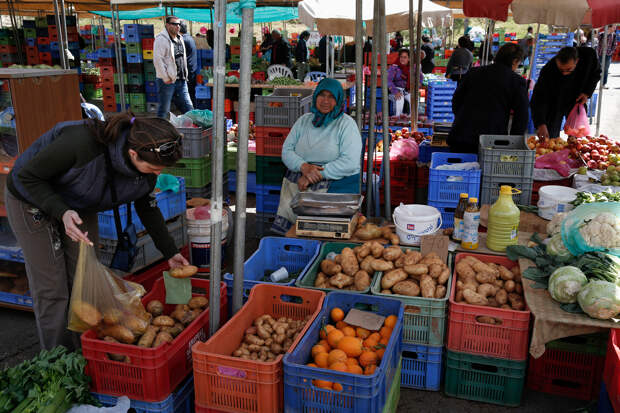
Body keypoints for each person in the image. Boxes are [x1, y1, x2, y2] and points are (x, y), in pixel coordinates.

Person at [5, 112, 189, 350]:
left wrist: (170, 251)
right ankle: (59, 357)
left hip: (81, 201)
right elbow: (26, 177)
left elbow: (147, 207)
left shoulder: (145, 169)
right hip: (31, 198)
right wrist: (62, 212)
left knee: (83, 280)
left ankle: (85, 347)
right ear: (133, 154)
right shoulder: (80, 144)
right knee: (52, 287)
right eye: (154, 168)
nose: (158, 174)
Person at [272, 78, 362, 235]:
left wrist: (314, 175)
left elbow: (350, 162)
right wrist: (304, 167)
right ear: (315, 97)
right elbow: (286, 150)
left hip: (335, 190)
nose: (325, 101)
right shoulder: (303, 121)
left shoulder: (346, 125)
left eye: (331, 97)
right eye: (322, 95)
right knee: (295, 236)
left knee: (324, 235)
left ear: (339, 99)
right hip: (298, 186)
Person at [448, 43, 529, 153]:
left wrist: (463, 119)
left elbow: (456, 101)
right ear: (515, 61)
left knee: (459, 169)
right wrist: (513, 143)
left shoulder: (473, 72)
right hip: (492, 142)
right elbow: (521, 116)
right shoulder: (516, 81)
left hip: (462, 136)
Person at [530, 46, 601, 140]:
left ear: (577, 61)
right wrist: (541, 124)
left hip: (577, 99)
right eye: (561, 70)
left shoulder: (588, 56)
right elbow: (539, 98)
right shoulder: (548, 70)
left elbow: (596, 74)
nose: (564, 73)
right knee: (550, 138)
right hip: (555, 103)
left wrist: (587, 93)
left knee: (576, 137)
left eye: (568, 69)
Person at [153, 16, 193, 119]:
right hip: (168, 81)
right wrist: (165, 78)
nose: (177, 26)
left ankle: (193, 131)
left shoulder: (180, 38)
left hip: (181, 79)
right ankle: (160, 131)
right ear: (167, 25)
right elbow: (158, 60)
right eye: (174, 24)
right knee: (164, 109)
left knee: (188, 107)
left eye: (179, 24)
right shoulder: (161, 39)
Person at [388, 48, 424, 117]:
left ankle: (412, 118)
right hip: (395, 91)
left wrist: (415, 87)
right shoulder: (394, 67)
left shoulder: (414, 67)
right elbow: (388, 80)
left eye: (405, 57)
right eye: (401, 57)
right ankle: (397, 118)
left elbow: (420, 78)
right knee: (400, 99)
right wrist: (395, 91)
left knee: (414, 98)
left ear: (409, 59)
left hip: (408, 90)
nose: (402, 59)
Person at [179, 21, 199, 107]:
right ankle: (192, 109)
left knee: (187, 94)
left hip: (188, 70)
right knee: (191, 93)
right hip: (192, 69)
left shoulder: (183, 39)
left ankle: (190, 111)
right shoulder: (189, 38)